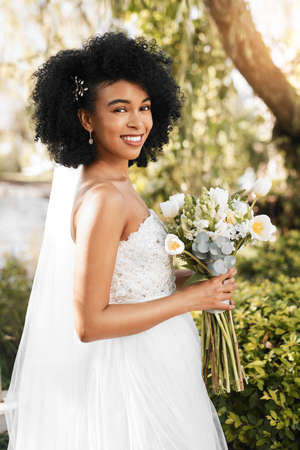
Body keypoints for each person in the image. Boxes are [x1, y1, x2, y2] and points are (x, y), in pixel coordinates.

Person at [4, 32, 237, 449]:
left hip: (162, 360)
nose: (138, 122)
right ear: (86, 119)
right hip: (129, 379)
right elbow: (90, 323)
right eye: (120, 109)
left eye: (145, 108)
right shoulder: (104, 199)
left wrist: (196, 277)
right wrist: (192, 301)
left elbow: (129, 279)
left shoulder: (117, 182)